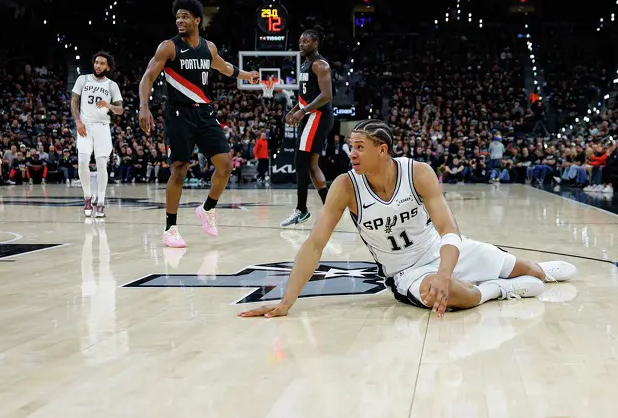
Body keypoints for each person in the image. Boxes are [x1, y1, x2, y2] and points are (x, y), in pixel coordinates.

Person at [239, 120, 577, 319]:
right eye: (349, 147)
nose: (351, 154)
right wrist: (286, 302)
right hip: (406, 272)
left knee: (534, 272)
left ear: (382, 150)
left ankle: (538, 273)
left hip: (441, 253)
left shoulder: (417, 172)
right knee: (441, 296)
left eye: (358, 147)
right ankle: (498, 291)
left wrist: (445, 272)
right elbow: (314, 245)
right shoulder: (346, 186)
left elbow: (450, 231)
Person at [138, 0, 260, 248]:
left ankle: (207, 209)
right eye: (177, 17)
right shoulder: (168, 47)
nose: (180, 21)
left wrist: (245, 74)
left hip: (204, 113)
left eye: (185, 17)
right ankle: (170, 227)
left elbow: (224, 67)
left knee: (225, 165)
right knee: (179, 170)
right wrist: (144, 106)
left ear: (197, 20)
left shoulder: (208, 47)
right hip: (178, 114)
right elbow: (148, 76)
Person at [281, 26, 335, 227]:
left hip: (317, 117)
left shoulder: (320, 65)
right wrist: (295, 107)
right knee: (311, 165)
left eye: (306, 41)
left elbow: (326, 95)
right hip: (310, 115)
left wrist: (302, 112)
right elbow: (307, 94)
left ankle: (301, 210)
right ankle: (331, 209)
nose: (301, 44)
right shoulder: (306, 64)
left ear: (316, 43)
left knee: (301, 163)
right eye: (300, 41)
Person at [72, 52, 122, 218]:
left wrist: (109, 104)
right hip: (85, 126)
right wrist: (78, 122)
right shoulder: (83, 79)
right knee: (82, 162)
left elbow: (120, 110)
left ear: (107, 67)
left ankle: (100, 201)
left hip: (103, 127)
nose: (98, 66)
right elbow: (74, 101)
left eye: (102, 63)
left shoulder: (112, 85)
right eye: (96, 62)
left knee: (102, 165)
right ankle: (88, 197)